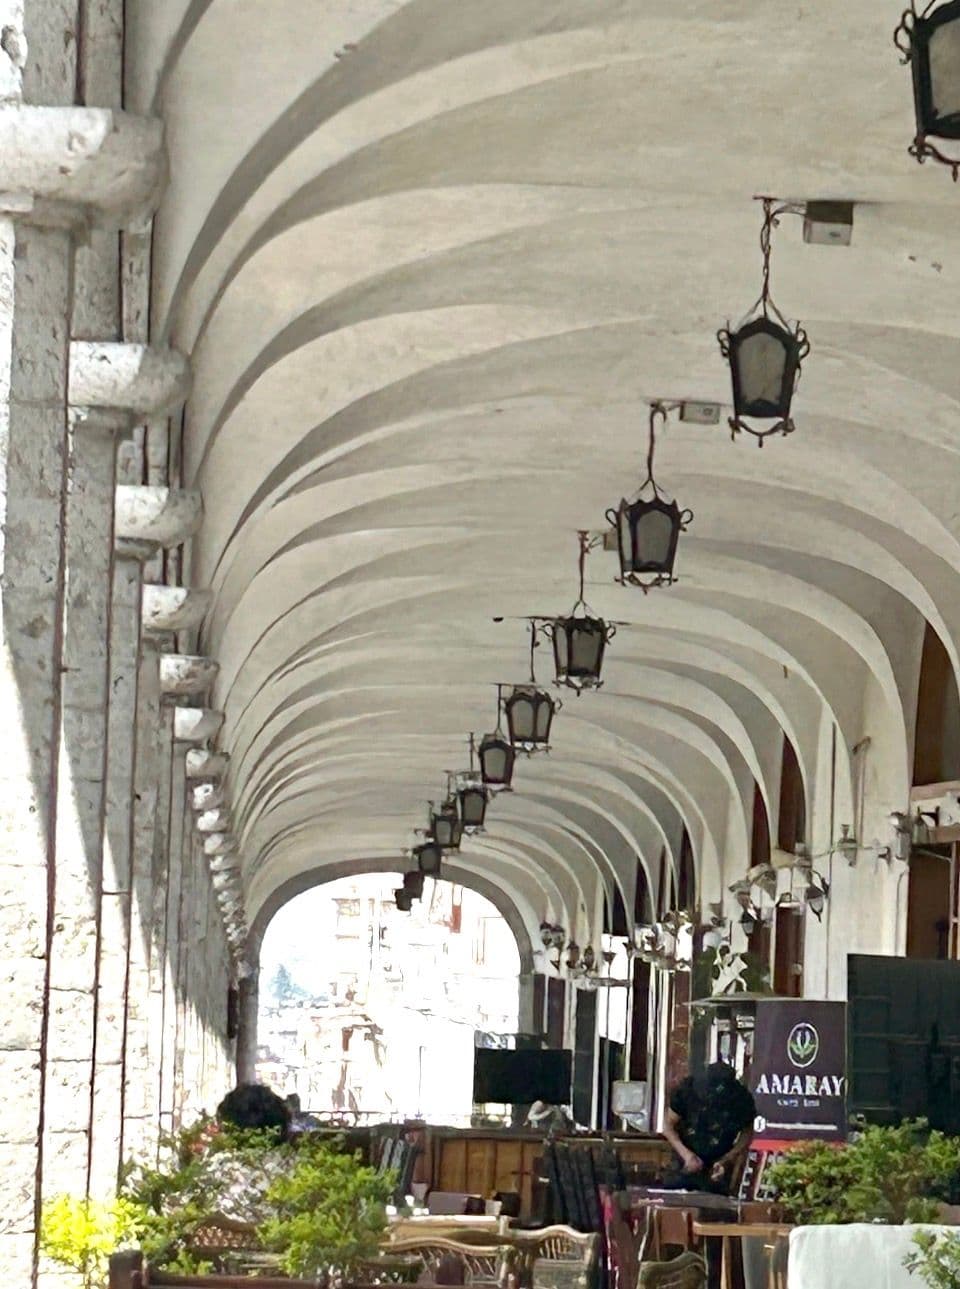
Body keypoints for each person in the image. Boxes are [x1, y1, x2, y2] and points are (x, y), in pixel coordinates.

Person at [662, 1061, 756, 1193]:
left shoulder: (740, 1098)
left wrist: (727, 1159)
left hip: (718, 1162)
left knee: (716, 1203)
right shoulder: (687, 1089)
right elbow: (667, 1125)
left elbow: (747, 1132)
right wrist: (686, 1154)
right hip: (684, 1159)